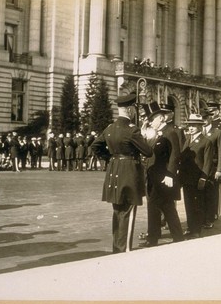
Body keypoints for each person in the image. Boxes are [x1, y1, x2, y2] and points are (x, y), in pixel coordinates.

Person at [91, 93, 152, 253]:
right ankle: (124, 250)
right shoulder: (132, 130)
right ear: (130, 109)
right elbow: (148, 152)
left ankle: (116, 248)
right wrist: (145, 135)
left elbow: (95, 146)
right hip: (129, 172)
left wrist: (110, 159)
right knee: (128, 212)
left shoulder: (110, 128)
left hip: (114, 171)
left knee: (117, 211)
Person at [138, 102, 184, 247]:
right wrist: (143, 131)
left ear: (161, 118)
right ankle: (178, 236)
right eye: (149, 119)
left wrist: (170, 175)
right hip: (154, 176)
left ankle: (152, 239)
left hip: (164, 177)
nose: (150, 122)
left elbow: (175, 155)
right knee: (167, 207)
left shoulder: (170, 132)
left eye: (152, 119)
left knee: (155, 206)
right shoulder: (155, 133)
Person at [179, 113, 214, 239]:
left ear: (200, 126)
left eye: (194, 125)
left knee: (197, 205)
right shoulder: (188, 140)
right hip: (186, 177)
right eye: (190, 125)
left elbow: (208, 162)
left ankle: (197, 229)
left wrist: (203, 178)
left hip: (197, 178)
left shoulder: (206, 142)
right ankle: (190, 227)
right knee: (188, 204)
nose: (191, 128)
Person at [200, 108, 221, 228]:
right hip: (200, 167)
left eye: (206, 118)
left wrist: (219, 169)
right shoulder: (199, 131)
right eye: (202, 118)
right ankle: (201, 217)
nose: (204, 120)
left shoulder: (217, 132)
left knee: (211, 194)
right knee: (200, 193)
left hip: (213, 167)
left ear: (210, 118)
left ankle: (209, 218)